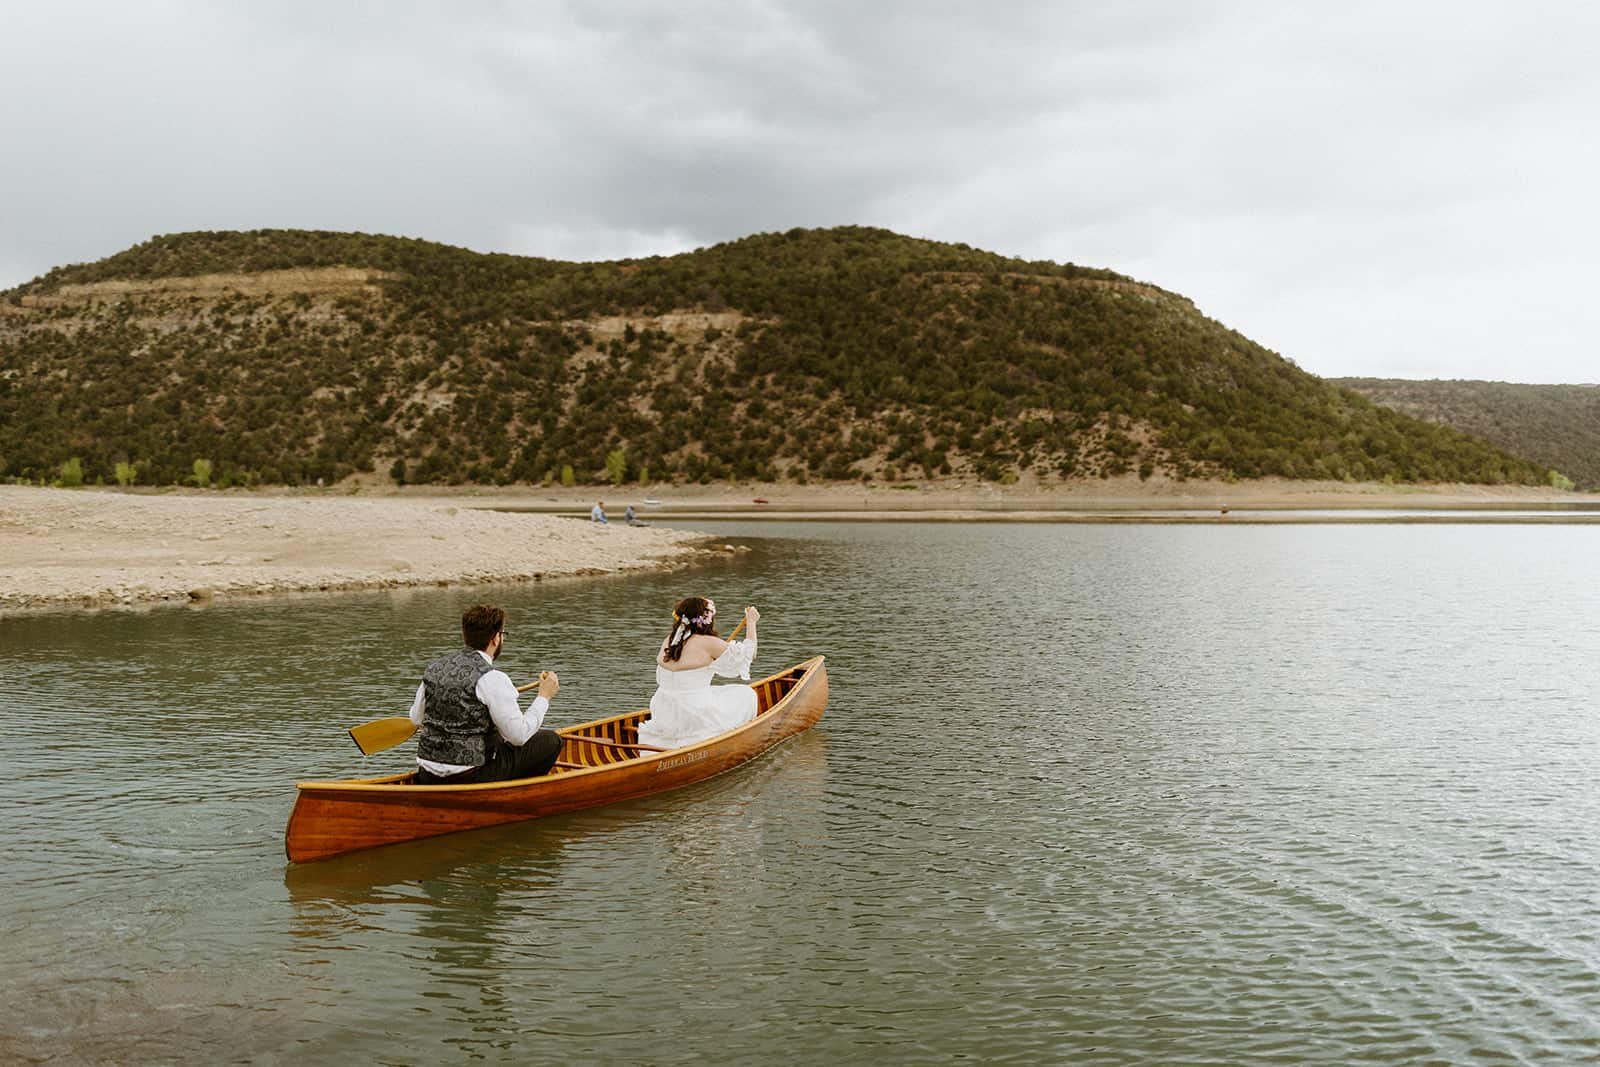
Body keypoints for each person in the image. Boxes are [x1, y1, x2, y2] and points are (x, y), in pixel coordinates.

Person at [407, 604, 564, 784]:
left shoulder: (434, 669)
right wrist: (543, 697)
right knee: (551, 741)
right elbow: (518, 736)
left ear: (465, 635)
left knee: (496, 738)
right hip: (471, 777)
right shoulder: (493, 678)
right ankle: (517, 796)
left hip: (428, 774)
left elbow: (416, 720)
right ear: (496, 639)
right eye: (502, 634)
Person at [636, 597, 760, 749]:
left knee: (715, 692)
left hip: (662, 707)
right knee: (746, 693)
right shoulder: (709, 643)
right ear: (706, 619)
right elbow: (748, 654)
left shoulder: (670, 640)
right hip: (693, 710)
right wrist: (751, 622)